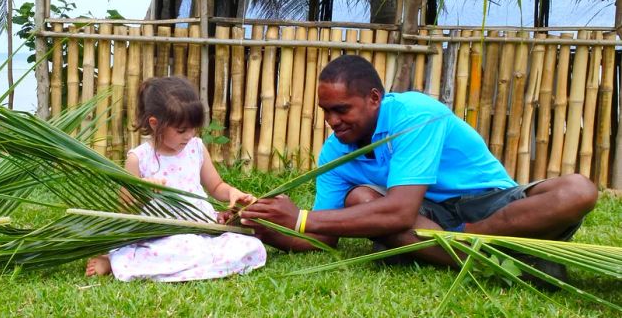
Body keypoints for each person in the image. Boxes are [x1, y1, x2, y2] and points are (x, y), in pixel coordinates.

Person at [241, 55, 598, 267]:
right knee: (358, 201)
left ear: (374, 98)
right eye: (326, 112)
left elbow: (397, 213)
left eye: (341, 109)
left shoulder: (415, 113)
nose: (332, 121)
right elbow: (326, 237)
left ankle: (466, 247)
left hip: (487, 204)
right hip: (427, 219)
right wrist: (265, 225)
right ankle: (502, 258)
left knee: (577, 191)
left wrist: (301, 217)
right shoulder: (335, 152)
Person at [86, 76, 266, 281]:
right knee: (184, 249)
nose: (189, 135)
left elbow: (216, 186)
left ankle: (194, 260)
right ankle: (114, 260)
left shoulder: (196, 148)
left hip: (202, 228)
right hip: (162, 235)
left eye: (193, 128)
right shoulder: (139, 158)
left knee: (251, 246)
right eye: (181, 130)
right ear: (155, 124)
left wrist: (232, 192)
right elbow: (126, 208)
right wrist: (143, 192)